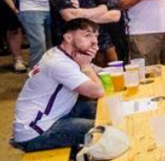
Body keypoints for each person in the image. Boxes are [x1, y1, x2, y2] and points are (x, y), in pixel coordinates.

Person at [10, 19, 106, 152]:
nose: (94, 41)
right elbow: (98, 92)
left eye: (96, 36)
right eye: (87, 35)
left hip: (56, 114)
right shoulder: (59, 63)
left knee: (104, 110)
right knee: (104, 131)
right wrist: (86, 66)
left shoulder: (63, 54)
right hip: (36, 131)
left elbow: (101, 73)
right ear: (68, 37)